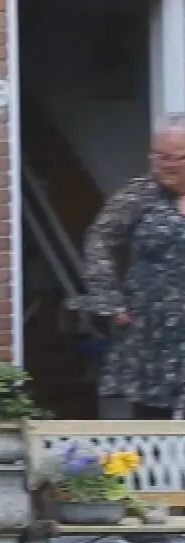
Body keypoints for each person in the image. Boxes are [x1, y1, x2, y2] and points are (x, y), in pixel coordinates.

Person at [82, 116, 185, 419]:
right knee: (154, 416)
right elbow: (98, 238)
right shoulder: (140, 194)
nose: (166, 165)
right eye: (160, 156)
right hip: (151, 326)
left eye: (176, 158)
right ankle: (154, 468)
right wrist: (111, 300)